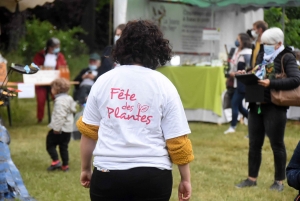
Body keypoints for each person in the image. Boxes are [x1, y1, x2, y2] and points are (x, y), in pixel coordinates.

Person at [77, 20, 194, 201]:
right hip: (154, 177)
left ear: (121, 46)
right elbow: (177, 140)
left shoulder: (103, 81)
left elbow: (89, 132)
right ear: (157, 49)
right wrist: (185, 179)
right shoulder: (164, 84)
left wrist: (85, 168)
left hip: (108, 174)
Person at [235, 27, 300, 191]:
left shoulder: (287, 57)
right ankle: (251, 178)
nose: (264, 46)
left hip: (275, 107)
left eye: (268, 44)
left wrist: (272, 83)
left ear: (279, 43)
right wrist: (247, 73)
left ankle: (279, 182)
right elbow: (259, 72)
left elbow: (295, 80)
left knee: (277, 144)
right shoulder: (263, 54)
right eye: (263, 44)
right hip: (256, 103)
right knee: (254, 143)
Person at [33, 38, 67, 123]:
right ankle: (40, 118)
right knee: (41, 100)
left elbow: (63, 66)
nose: (57, 48)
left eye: (58, 46)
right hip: (42, 81)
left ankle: (58, 117)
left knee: (58, 98)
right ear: (49, 47)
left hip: (55, 82)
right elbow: (34, 66)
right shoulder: (40, 55)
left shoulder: (60, 56)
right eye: (55, 47)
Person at [46, 78, 76, 172]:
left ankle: (55, 161)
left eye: (52, 88)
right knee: (63, 147)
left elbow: (60, 115)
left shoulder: (60, 101)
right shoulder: (69, 98)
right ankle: (65, 166)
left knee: (50, 143)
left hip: (60, 129)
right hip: (68, 129)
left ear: (56, 89)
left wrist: (56, 128)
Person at [224, 33, 252, 134]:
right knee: (239, 106)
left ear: (243, 41)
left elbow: (250, 69)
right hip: (236, 83)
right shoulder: (237, 51)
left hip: (242, 84)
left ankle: (233, 126)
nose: (236, 41)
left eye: (238, 39)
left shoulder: (248, 53)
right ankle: (254, 121)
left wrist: (236, 73)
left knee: (234, 103)